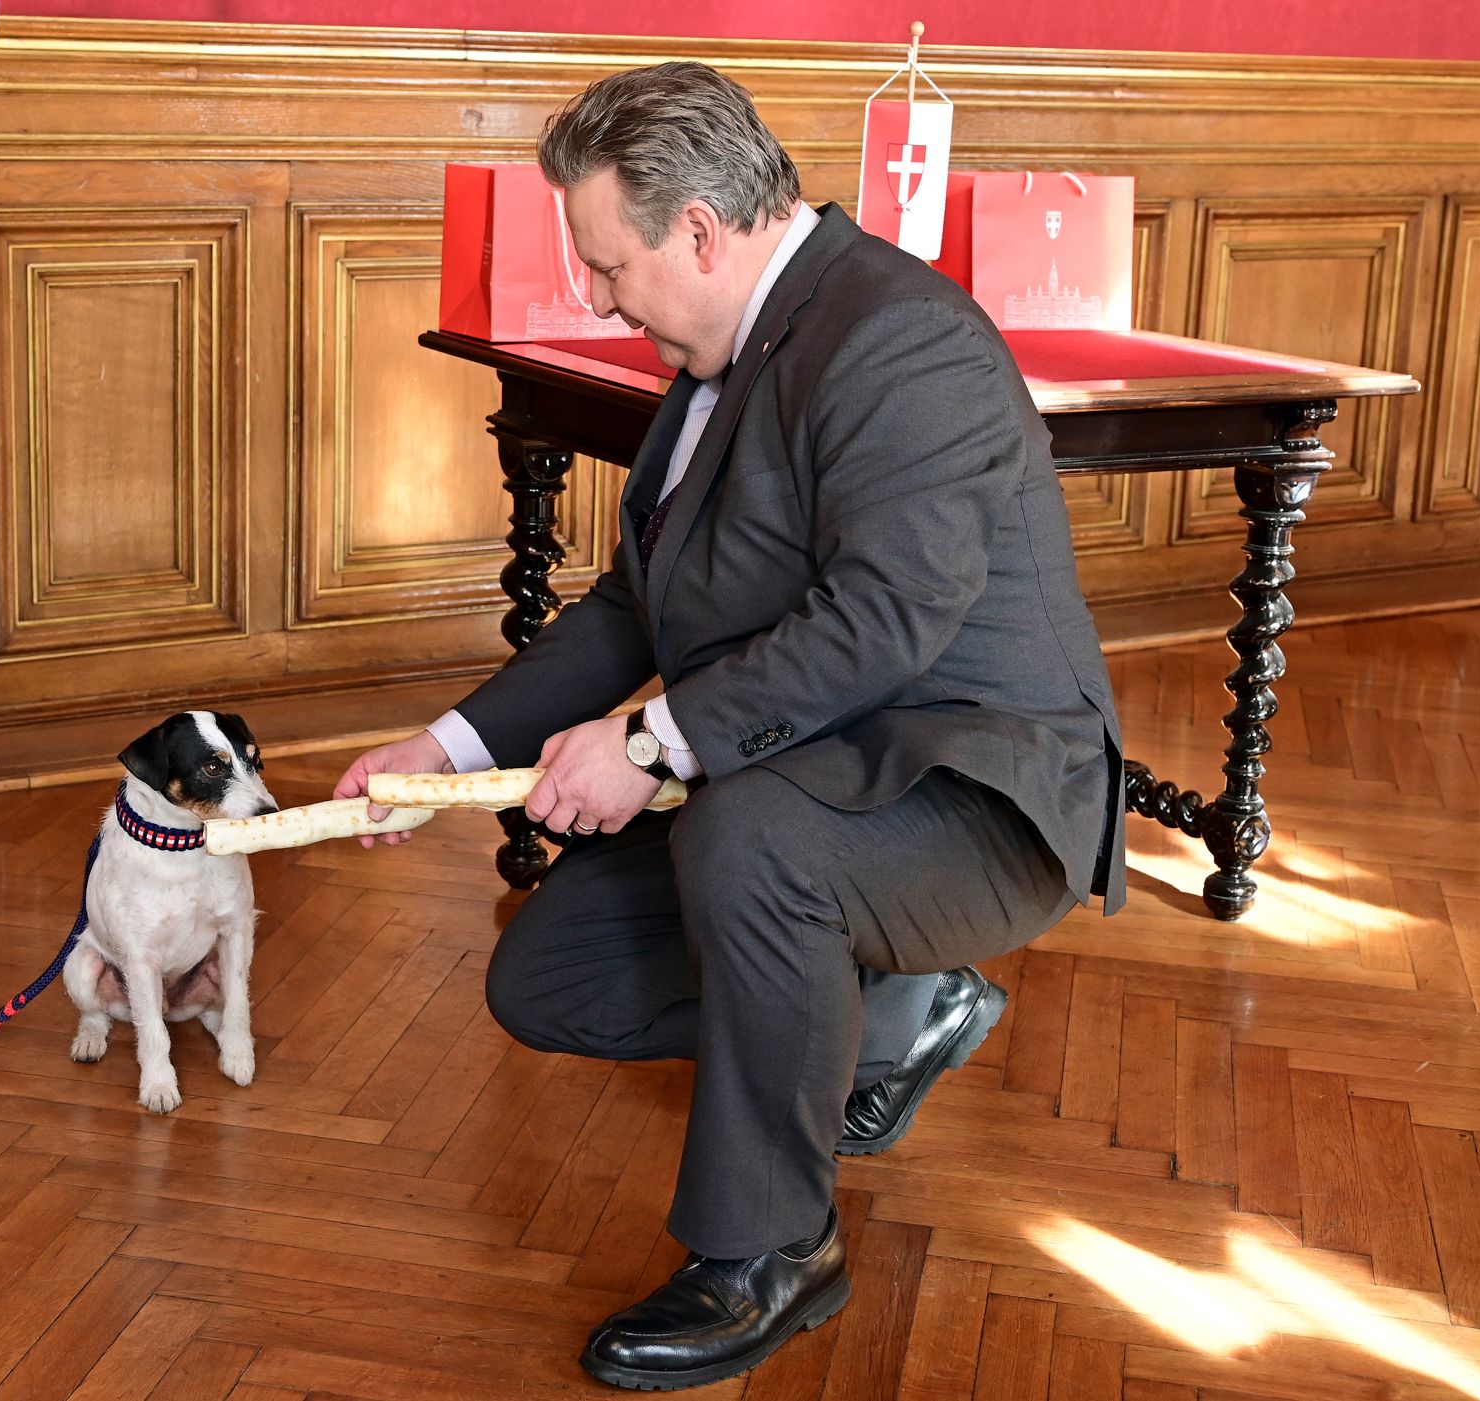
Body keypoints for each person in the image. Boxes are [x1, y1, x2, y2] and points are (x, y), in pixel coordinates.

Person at [335, 61, 1125, 1391]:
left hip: (980, 792)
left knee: (749, 842)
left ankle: (776, 1249)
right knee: (551, 976)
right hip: (823, 771)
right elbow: (636, 605)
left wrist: (648, 749)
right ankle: (901, 1014)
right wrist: (446, 749)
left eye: (609, 266)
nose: (594, 298)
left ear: (702, 232)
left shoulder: (896, 339)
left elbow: (885, 622)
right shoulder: (723, 347)